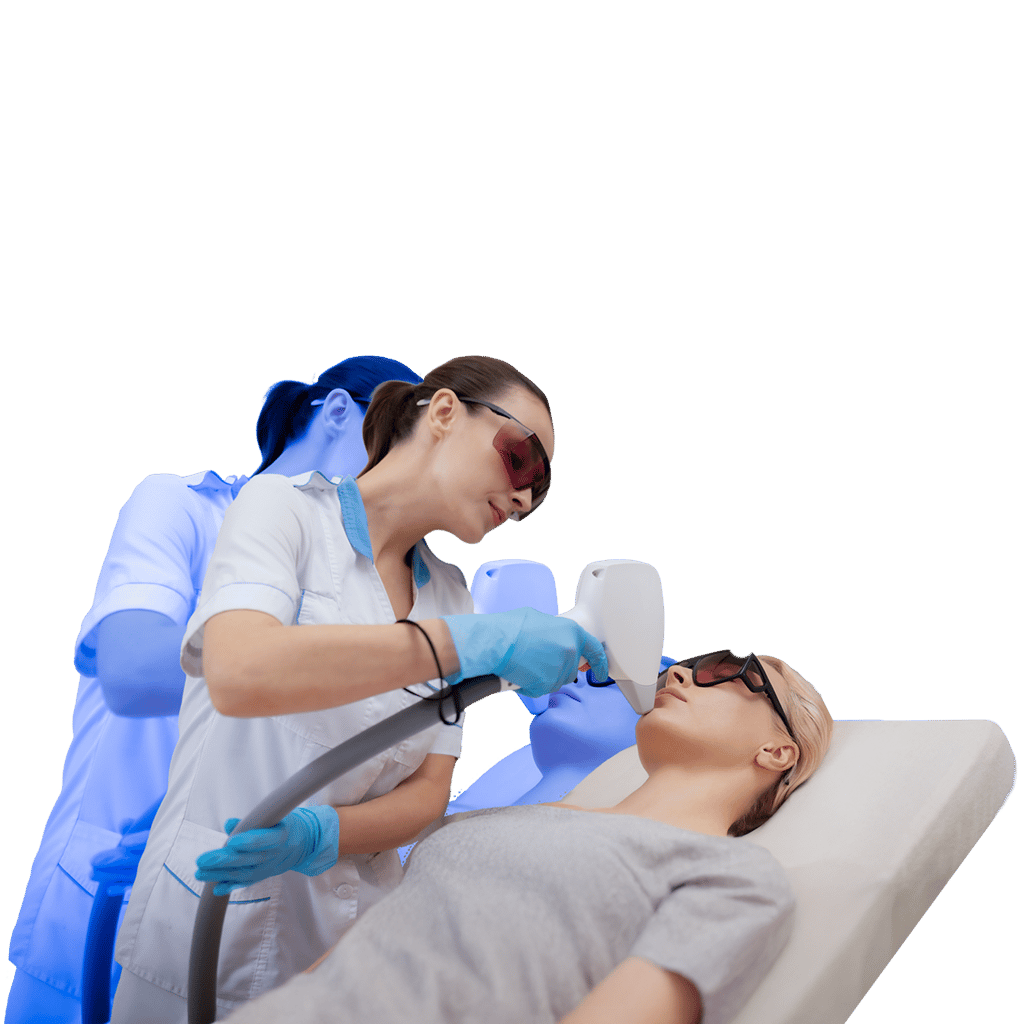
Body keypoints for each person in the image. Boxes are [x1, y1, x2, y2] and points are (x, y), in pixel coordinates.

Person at [109, 355, 608, 1023]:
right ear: (444, 412)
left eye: (539, 493)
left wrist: (320, 834)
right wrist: (463, 644)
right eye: (522, 461)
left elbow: (427, 794)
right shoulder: (283, 510)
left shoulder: (451, 594)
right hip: (207, 937)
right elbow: (238, 672)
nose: (523, 499)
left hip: (359, 950)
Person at [4, 354, 422, 1024]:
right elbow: (132, 670)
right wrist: (353, 671)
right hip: (102, 900)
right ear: (339, 411)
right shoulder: (185, 508)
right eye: (396, 446)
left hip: (258, 929)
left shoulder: (373, 585)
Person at [224, 650, 834, 1024]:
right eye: (689, 663)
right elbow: (341, 964)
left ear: (777, 750)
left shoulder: (732, 877)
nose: (678, 671)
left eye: (727, 672)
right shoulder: (497, 820)